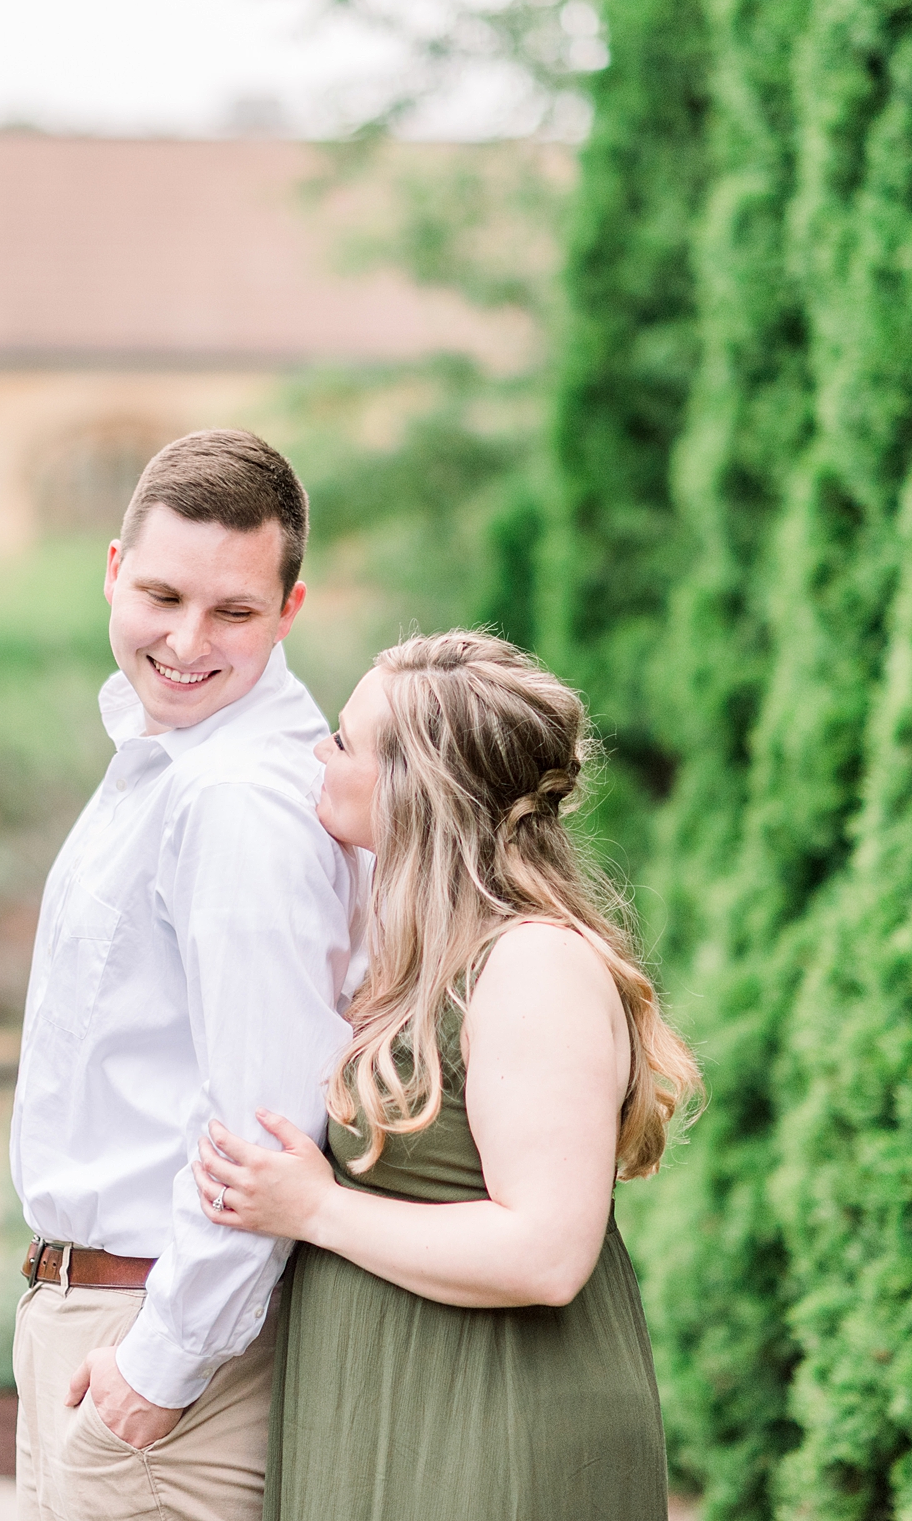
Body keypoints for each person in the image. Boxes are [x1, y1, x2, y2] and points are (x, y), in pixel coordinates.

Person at [192, 630, 701, 1520]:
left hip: (495, 1423)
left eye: (346, 741)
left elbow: (546, 1252)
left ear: (415, 787)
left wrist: (317, 1209)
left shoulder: (534, 966)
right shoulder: (418, 960)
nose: (322, 753)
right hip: (383, 1406)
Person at [11, 429, 363, 1521]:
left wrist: (156, 1371)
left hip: (164, 1363)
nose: (186, 640)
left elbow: (267, 1123)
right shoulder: (171, 760)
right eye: (161, 594)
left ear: (290, 612)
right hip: (99, 1329)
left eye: (235, 612)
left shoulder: (238, 801)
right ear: (113, 571)